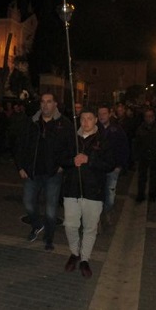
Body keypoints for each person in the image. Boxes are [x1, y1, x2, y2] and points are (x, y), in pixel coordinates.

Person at [15, 93, 74, 251]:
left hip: (53, 173)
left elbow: (71, 148)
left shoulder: (64, 124)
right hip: (32, 172)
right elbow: (21, 145)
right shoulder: (32, 122)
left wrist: (63, 165)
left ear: (55, 104)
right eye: (43, 102)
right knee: (28, 202)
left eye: (49, 102)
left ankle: (49, 238)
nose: (45, 105)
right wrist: (20, 166)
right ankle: (36, 225)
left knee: (51, 208)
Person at [62, 109, 114, 278]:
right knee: (70, 225)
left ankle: (85, 258)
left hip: (93, 191)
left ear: (96, 121)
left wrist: (89, 160)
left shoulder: (103, 140)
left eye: (89, 119)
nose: (85, 122)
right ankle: (74, 252)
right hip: (72, 190)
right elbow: (61, 158)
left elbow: (109, 164)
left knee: (90, 228)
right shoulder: (72, 139)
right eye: (83, 119)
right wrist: (72, 161)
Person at [97, 105, 129, 225]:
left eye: (104, 113)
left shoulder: (117, 129)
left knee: (110, 195)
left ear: (109, 114)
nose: (102, 116)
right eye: (100, 114)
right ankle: (99, 218)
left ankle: (107, 212)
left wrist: (120, 165)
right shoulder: (94, 129)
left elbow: (124, 148)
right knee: (98, 195)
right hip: (98, 168)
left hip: (112, 168)